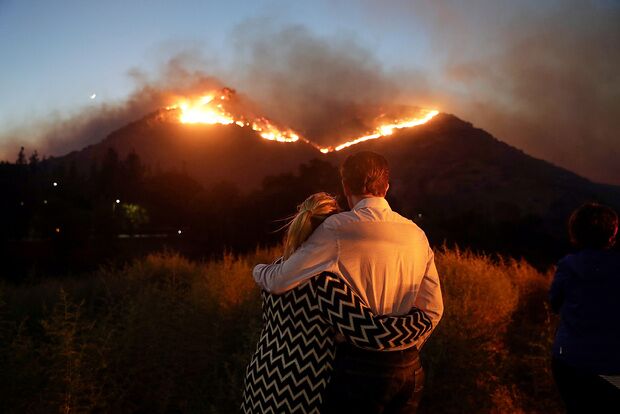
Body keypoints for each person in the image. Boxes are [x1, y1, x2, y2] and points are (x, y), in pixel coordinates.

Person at [253, 151, 444, 412]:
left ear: (345, 186)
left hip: (359, 368)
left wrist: (258, 270)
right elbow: (433, 309)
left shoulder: (337, 229)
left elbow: (280, 281)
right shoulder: (416, 234)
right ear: (386, 187)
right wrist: (404, 346)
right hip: (410, 370)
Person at [549, 202, 620, 412]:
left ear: (575, 233)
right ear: (611, 235)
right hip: (611, 366)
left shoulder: (568, 265)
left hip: (568, 362)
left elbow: (555, 302)